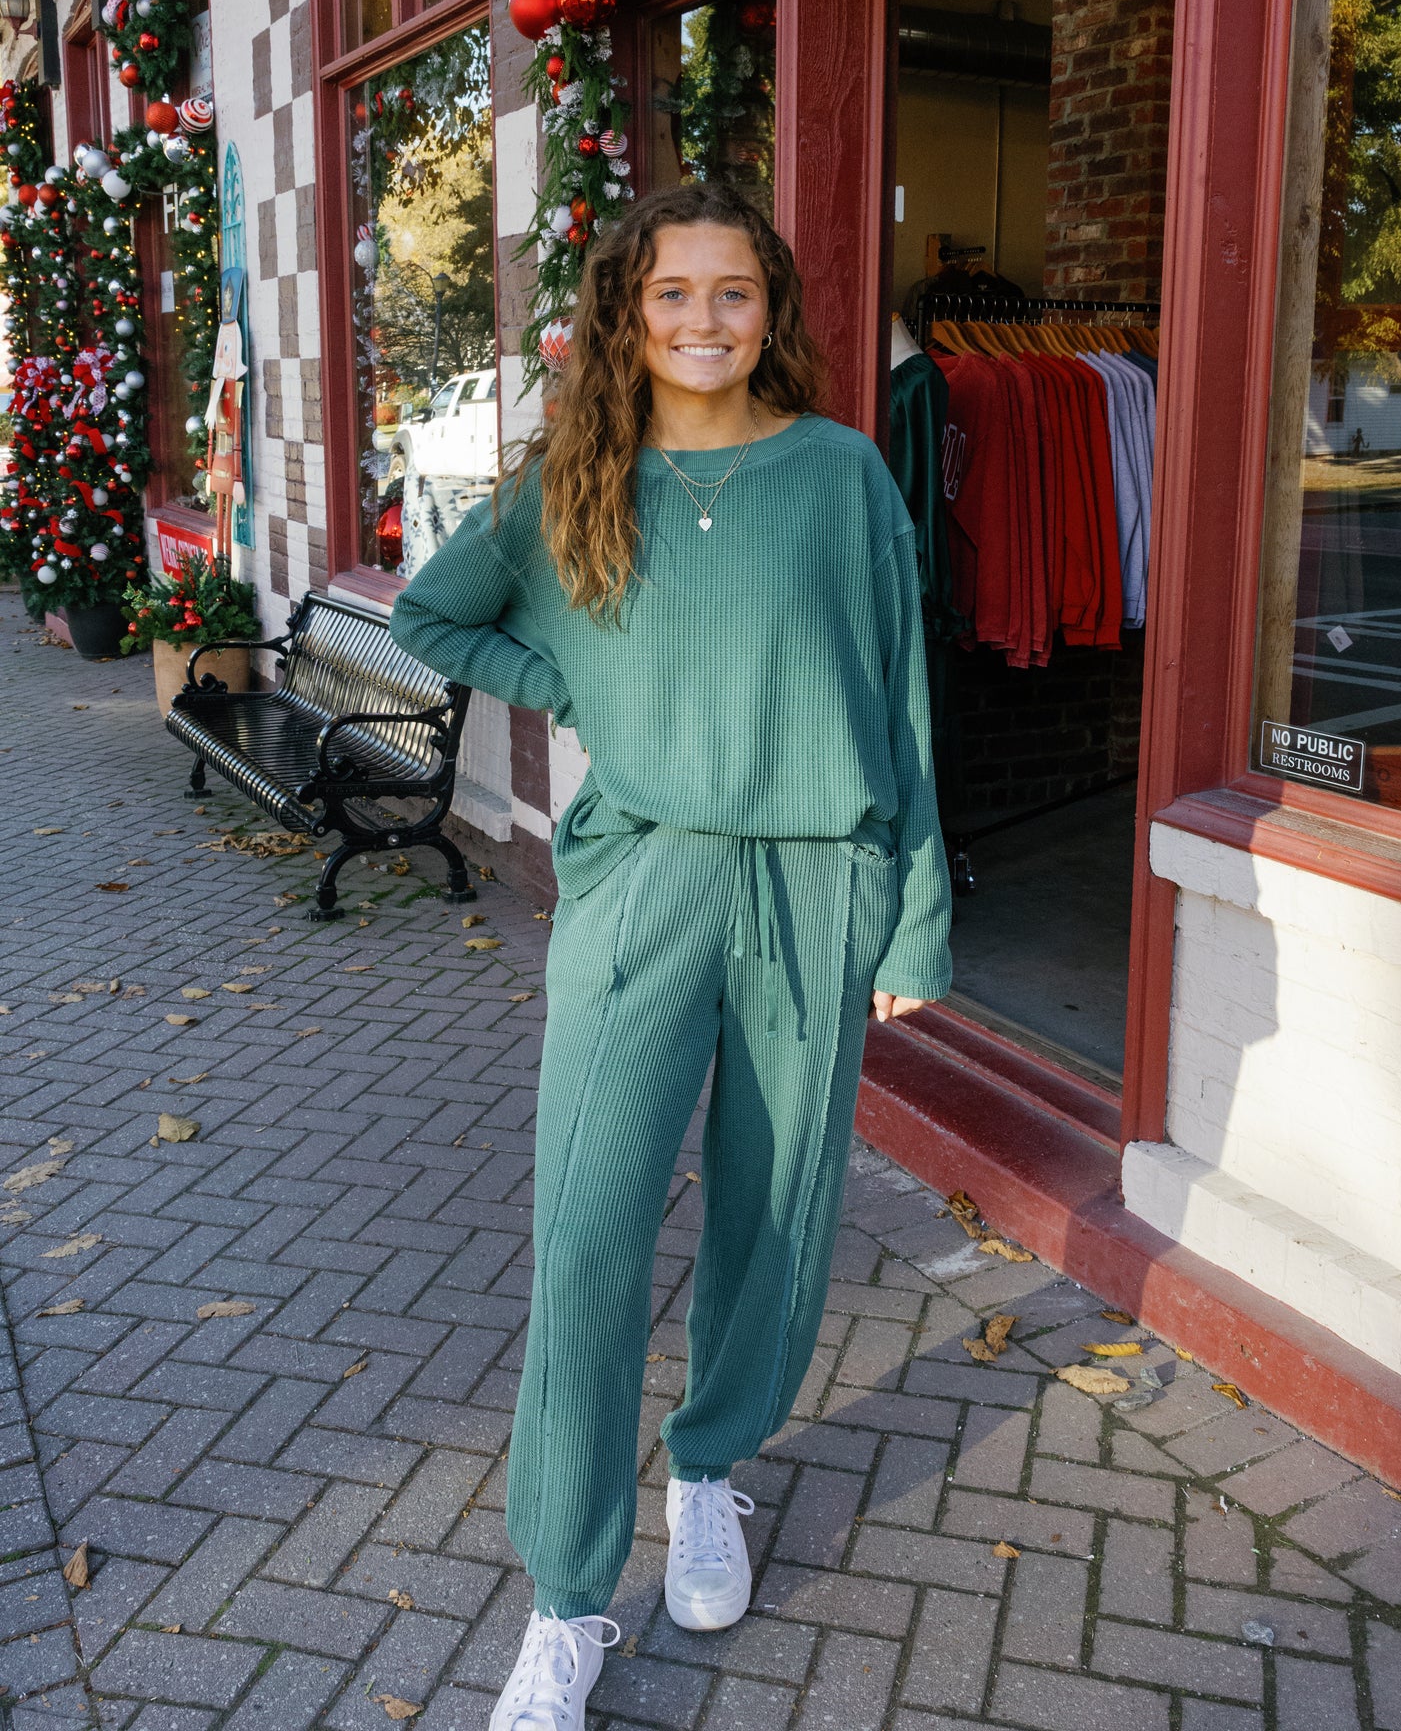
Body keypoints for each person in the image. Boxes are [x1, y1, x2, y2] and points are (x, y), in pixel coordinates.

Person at [391, 181, 952, 1731]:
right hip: (642, 885)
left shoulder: (840, 476)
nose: (704, 321)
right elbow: (433, 622)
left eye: (733, 292)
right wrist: (570, 689)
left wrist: (917, 910)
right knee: (584, 1231)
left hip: (817, 881)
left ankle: (707, 1469)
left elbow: (898, 694)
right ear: (624, 316)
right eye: (672, 295)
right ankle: (566, 1600)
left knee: (775, 1214)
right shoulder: (573, 482)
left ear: (771, 309)